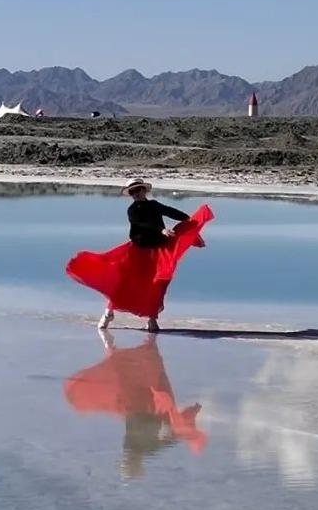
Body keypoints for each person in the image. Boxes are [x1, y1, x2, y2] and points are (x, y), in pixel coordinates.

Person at [66, 179, 214, 332]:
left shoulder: (154, 205)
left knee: (158, 284)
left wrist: (190, 224)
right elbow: (143, 223)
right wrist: (161, 230)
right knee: (125, 283)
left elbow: (172, 212)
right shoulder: (132, 210)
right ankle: (108, 313)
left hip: (159, 249)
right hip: (137, 251)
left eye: (138, 190)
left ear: (144, 191)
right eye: (132, 192)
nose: (135, 194)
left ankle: (152, 319)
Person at [63, 331, 207, 478]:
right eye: (128, 462)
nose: (126, 459)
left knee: (129, 375)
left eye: (125, 462)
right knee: (139, 376)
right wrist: (186, 422)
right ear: (136, 463)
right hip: (144, 408)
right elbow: (171, 437)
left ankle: (124, 346)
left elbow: (169, 437)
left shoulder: (140, 449)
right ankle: (135, 346)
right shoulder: (147, 449)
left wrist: (183, 424)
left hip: (137, 407)